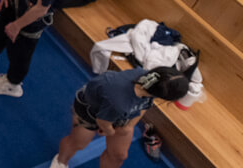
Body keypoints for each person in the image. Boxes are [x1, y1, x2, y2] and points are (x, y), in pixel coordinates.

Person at [48, 67, 190, 168]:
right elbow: (102, 122)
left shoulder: (151, 81)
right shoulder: (119, 102)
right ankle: (61, 161)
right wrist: (110, 132)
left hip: (119, 113)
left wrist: (129, 126)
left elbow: (145, 104)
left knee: (119, 155)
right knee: (78, 143)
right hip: (90, 112)